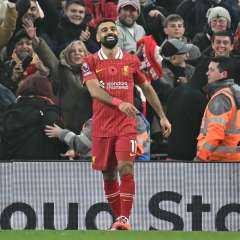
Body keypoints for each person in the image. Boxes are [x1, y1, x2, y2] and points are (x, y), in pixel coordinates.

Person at [80, 19, 171, 230]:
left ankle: (124, 219)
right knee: (109, 173)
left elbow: (147, 88)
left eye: (113, 28)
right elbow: (94, 90)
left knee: (126, 167)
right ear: (98, 37)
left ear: (119, 34)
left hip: (126, 126)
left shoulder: (131, 61)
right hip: (101, 127)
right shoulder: (89, 61)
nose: (109, 32)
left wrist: (163, 116)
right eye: (104, 30)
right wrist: (119, 102)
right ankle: (119, 219)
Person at [196, 56, 240, 161]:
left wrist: (200, 158)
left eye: (212, 70)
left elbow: (215, 135)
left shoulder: (221, 98)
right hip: (233, 160)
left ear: (223, 74)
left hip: (218, 162)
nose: (207, 73)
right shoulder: (234, 94)